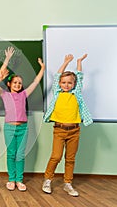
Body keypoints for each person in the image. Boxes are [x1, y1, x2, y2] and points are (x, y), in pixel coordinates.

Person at [0, 47, 45, 191]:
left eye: (20, 83)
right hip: (10, 127)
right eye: (15, 83)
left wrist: (43, 69)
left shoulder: (24, 94)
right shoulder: (4, 94)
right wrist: (7, 59)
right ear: (9, 84)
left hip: (23, 128)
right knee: (11, 153)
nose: (18, 85)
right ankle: (11, 179)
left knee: (20, 154)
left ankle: (19, 180)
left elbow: (35, 82)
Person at [42, 54, 93, 197]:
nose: (66, 85)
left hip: (74, 131)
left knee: (70, 159)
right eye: (63, 82)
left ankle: (68, 183)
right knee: (56, 156)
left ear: (74, 84)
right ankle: (47, 180)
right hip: (59, 130)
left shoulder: (76, 94)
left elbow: (80, 77)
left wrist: (78, 63)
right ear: (59, 83)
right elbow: (58, 75)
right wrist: (65, 62)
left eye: (69, 83)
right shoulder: (57, 93)